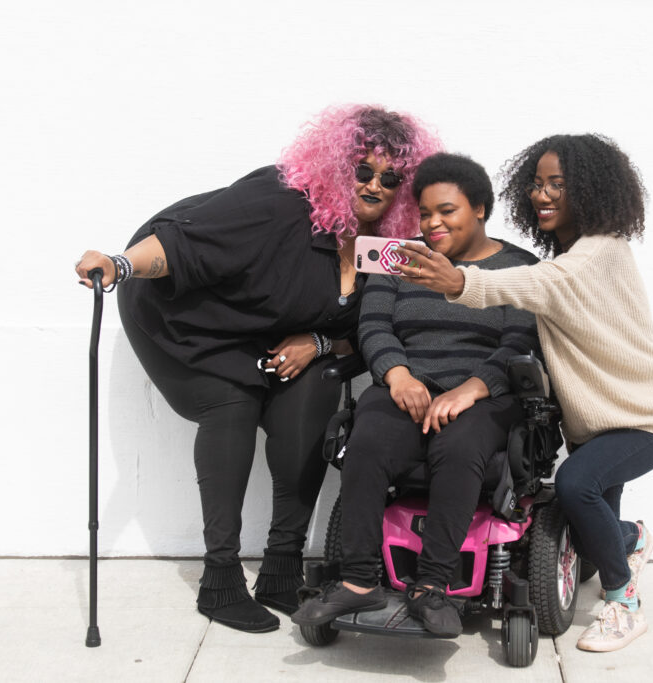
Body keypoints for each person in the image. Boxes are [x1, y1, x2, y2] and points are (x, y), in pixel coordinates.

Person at [73, 105, 440, 634]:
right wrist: (118, 264)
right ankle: (220, 579)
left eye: (392, 177)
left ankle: (281, 570)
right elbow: (184, 244)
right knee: (233, 401)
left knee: (317, 391)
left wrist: (317, 342)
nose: (376, 185)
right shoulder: (280, 202)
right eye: (363, 170)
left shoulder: (382, 247)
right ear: (338, 167)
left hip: (265, 327)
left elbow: (372, 329)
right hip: (181, 310)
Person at [397, 134, 653, 652]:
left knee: (576, 485)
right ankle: (629, 539)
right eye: (536, 184)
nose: (542, 194)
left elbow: (532, 284)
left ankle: (624, 605)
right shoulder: (571, 253)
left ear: (593, 191)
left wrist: (458, 282)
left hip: (646, 417)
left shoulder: (597, 253)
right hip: (597, 423)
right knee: (590, 541)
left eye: (558, 184)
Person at [291, 153, 540, 637]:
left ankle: (432, 587)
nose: (432, 223)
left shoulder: (517, 267)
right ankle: (359, 580)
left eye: (447, 211)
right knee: (367, 439)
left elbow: (520, 342)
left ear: (481, 209)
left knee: (460, 446)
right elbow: (375, 324)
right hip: (408, 386)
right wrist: (399, 375)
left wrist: (473, 388)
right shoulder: (400, 260)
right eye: (425, 213)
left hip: (484, 395)